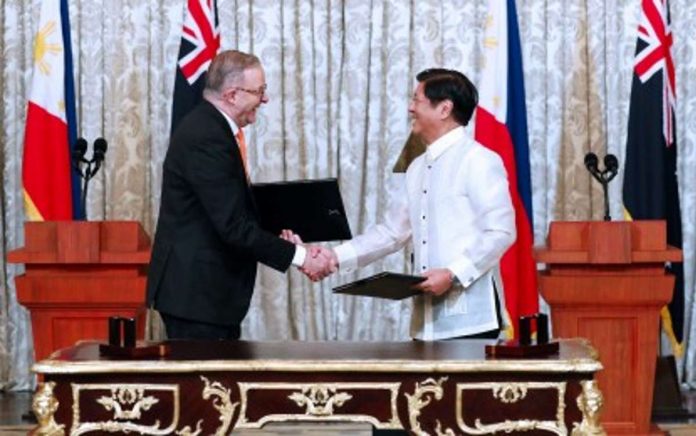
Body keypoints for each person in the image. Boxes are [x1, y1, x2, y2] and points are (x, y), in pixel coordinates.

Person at [285, 68, 515, 341]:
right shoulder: (417, 167)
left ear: (444, 109)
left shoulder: (479, 160)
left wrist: (453, 273)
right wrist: (334, 258)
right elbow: (392, 232)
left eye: (416, 100)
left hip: (472, 322)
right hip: (424, 322)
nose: (410, 108)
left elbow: (501, 231)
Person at [147, 50, 334, 340]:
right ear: (232, 95)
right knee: (206, 385)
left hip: (205, 297)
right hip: (197, 297)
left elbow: (228, 209)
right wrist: (301, 257)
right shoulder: (207, 136)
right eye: (259, 91)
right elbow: (233, 226)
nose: (265, 99)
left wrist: (277, 234)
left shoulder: (214, 128)